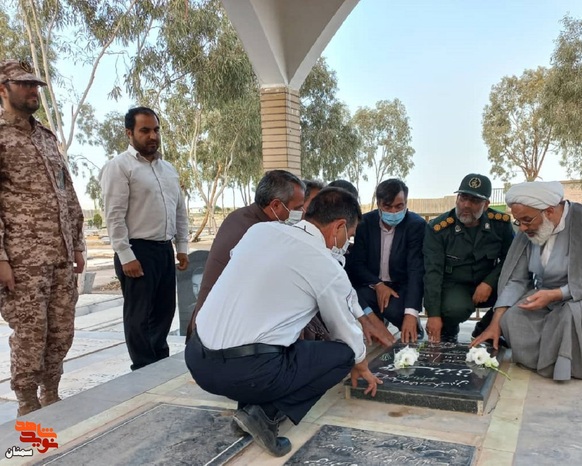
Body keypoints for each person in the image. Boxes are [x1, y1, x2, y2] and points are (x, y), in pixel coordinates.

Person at [185, 188, 381, 456]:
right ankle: (264, 414)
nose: (348, 242)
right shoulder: (326, 265)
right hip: (245, 373)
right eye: (350, 235)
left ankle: (247, 407)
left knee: (270, 339)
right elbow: (346, 332)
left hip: (197, 359)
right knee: (343, 355)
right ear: (339, 227)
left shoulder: (260, 232)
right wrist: (360, 364)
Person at [0, 60, 85, 415]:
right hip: (23, 262)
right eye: (24, 85)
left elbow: (67, 193)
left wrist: (78, 243)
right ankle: (27, 403)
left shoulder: (46, 137)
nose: (33, 90)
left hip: (61, 256)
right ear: (3, 89)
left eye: (35, 85)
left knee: (61, 332)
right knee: (31, 336)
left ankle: (51, 393)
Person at [471, 181, 582, 380]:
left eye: (526, 220)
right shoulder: (528, 230)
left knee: (569, 315)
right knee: (512, 318)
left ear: (549, 211)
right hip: (543, 296)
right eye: (518, 222)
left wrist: (558, 294)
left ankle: (568, 365)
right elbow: (516, 279)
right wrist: (495, 323)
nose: (522, 228)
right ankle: (544, 361)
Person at [99, 107, 189, 371]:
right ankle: (142, 368)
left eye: (156, 130)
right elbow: (113, 215)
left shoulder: (168, 170)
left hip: (163, 251)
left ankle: (158, 364)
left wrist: (181, 247)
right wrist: (126, 255)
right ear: (129, 133)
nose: (153, 136)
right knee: (139, 316)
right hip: (137, 251)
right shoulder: (119, 167)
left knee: (164, 312)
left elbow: (179, 210)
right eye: (145, 130)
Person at [186, 170, 306, 339]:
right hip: (220, 335)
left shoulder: (242, 216)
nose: (302, 214)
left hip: (211, 325)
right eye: (298, 208)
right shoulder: (258, 233)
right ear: (276, 205)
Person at [423, 174, 514, 343]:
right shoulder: (439, 228)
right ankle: (449, 328)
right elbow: (432, 273)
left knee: (519, 293)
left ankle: (486, 328)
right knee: (453, 309)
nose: (466, 205)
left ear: (486, 205)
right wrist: (434, 315)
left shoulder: (500, 225)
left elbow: (512, 259)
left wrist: (489, 282)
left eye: (474, 201)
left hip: (489, 284)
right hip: (455, 285)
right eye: (463, 198)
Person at [346, 178, 426, 343]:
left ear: (406, 203)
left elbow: (415, 270)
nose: (394, 212)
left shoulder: (416, 225)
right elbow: (357, 264)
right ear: (378, 204)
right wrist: (378, 284)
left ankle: (412, 325)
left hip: (400, 286)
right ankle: (376, 327)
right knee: (359, 296)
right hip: (372, 284)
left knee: (398, 313)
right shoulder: (364, 224)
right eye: (387, 207)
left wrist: (411, 313)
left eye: (399, 206)